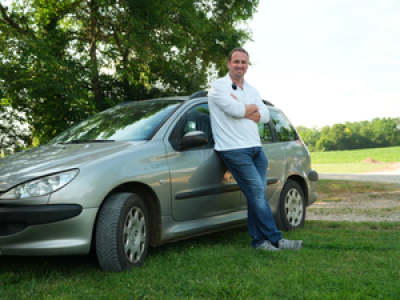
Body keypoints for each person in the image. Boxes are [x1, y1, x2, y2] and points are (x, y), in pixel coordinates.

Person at [208, 47, 303, 251]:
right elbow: (234, 110)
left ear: (247, 65)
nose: (239, 65)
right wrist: (249, 108)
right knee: (258, 194)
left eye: (243, 62)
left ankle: (259, 241)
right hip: (234, 149)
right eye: (236, 62)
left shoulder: (252, 89)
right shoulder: (218, 86)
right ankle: (276, 239)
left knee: (255, 195)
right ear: (228, 64)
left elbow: (266, 116)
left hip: (256, 150)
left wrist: (243, 108)